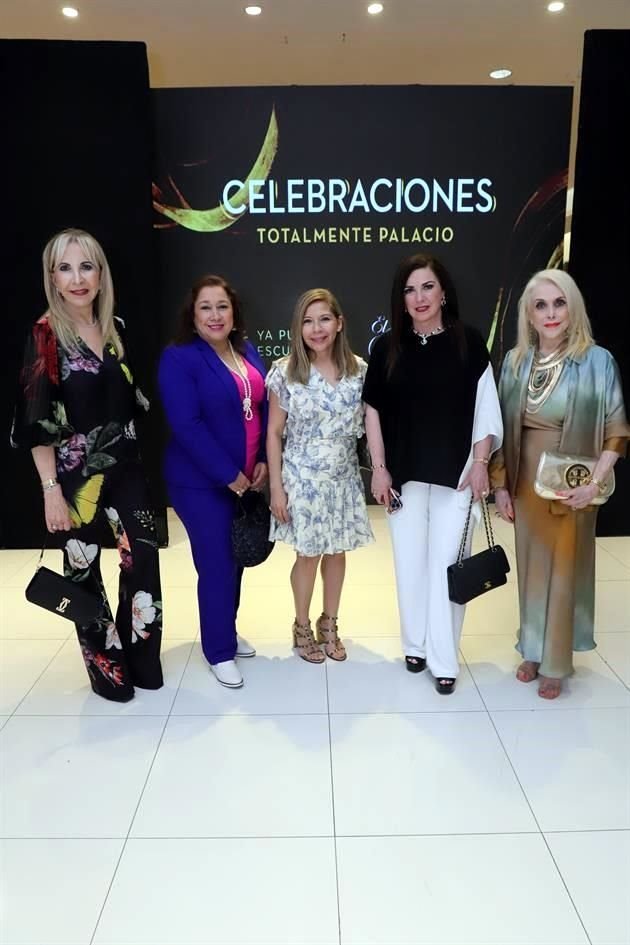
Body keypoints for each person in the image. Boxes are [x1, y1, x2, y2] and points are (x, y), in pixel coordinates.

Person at [12, 228, 164, 702]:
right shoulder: (46, 336)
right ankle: (107, 668)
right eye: (65, 268)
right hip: (75, 478)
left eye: (86, 266)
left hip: (128, 469)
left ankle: (140, 659)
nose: (77, 278)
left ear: (101, 274)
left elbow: (134, 402)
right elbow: (35, 421)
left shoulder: (117, 328)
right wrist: (50, 490)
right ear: (52, 278)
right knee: (85, 573)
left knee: (142, 566)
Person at [362, 253, 503, 694]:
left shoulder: (469, 341)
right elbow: (373, 412)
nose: (419, 297)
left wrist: (481, 464)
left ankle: (444, 658)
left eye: (427, 287)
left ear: (443, 292)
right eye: (409, 289)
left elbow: (486, 408)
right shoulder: (386, 348)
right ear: (400, 300)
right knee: (409, 565)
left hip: (456, 476)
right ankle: (416, 644)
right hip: (403, 477)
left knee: (447, 566)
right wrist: (379, 469)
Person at [490, 269, 629, 699]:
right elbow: (499, 431)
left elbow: (616, 429)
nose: (550, 313)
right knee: (532, 570)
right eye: (540, 305)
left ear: (573, 308)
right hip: (525, 485)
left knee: (565, 570)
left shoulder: (597, 360)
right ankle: (531, 649)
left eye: (559, 302)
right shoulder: (515, 362)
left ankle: (556, 661)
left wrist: (593, 483)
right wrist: (499, 486)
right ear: (528, 315)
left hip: (574, 487)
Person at [158, 275, 268, 689]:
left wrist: (259, 463)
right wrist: (230, 476)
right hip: (200, 483)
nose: (215, 315)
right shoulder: (180, 357)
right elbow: (187, 425)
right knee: (217, 563)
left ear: (234, 311)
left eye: (222, 306)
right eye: (206, 307)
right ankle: (218, 650)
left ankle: (225, 628)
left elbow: (261, 409)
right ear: (193, 313)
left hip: (245, 478)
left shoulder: (246, 350)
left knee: (235, 558)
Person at [266, 288, 373, 663]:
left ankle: (330, 623)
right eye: (308, 322)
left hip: (343, 478)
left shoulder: (359, 371)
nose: (316, 328)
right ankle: (301, 625)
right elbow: (274, 433)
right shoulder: (285, 372)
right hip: (302, 479)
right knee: (308, 555)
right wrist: (277, 489)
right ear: (298, 328)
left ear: (339, 323)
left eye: (324, 319)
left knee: (337, 553)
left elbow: (371, 426)